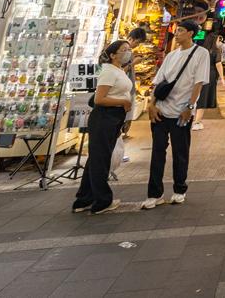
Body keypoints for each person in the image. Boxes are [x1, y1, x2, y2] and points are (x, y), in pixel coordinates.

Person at [143, 21, 211, 208]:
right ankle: (154, 194)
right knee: (157, 153)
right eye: (176, 30)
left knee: (180, 152)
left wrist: (190, 107)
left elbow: (198, 83)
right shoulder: (171, 55)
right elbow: (159, 82)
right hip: (161, 111)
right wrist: (151, 105)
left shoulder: (201, 54)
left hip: (182, 113)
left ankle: (179, 190)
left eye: (180, 30)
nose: (176, 33)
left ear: (190, 33)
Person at [73, 40, 134, 214]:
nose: (128, 52)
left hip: (113, 118)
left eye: (129, 49)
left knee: (96, 159)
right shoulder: (108, 72)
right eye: (124, 50)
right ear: (112, 55)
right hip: (104, 117)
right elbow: (99, 99)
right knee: (101, 160)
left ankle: (84, 199)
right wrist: (123, 101)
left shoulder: (119, 70)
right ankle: (102, 201)